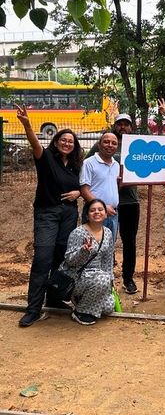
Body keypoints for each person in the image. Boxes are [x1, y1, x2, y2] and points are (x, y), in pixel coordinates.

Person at [16, 104, 83, 328]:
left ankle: (53, 299)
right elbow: (35, 143)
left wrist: (79, 193)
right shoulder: (45, 158)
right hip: (47, 213)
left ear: (75, 147)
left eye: (70, 141)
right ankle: (33, 309)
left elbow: (83, 187)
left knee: (61, 258)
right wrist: (27, 125)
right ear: (55, 142)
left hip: (69, 215)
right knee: (42, 259)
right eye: (63, 140)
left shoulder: (75, 167)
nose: (66, 143)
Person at [87, 113, 140, 295]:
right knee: (103, 242)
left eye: (126, 124)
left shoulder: (136, 145)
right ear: (114, 125)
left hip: (130, 202)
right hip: (105, 205)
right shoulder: (101, 144)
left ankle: (128, 278)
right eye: (120, 124)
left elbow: (142, 173)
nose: (123, 127)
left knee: (129, 241)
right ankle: (100, 279)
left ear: (131, 127)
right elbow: (88, 167)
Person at [59, 199, 115, 325]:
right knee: (102, 279)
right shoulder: (78, 233)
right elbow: (69, 260)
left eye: (100, 209)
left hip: (98, 276)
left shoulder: (108, 233)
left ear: (106, 214)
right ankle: (80, 312)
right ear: (87, 214)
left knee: (108, 307)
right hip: (76, 276)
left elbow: (108, 259)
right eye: (92, 210)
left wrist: (110, 281)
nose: (97, 212)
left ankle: (82, 300)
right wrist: (83, 251)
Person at [80, 132, 120, 241]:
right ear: (99, 144)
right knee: (91, 248)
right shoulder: (89, 163)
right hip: (95, 213)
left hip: (113, 214)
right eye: (106, 142)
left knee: (109, 248)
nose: (110, 145)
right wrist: (103, 207)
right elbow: (84, 190)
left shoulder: (116, 165)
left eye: (114, 143)